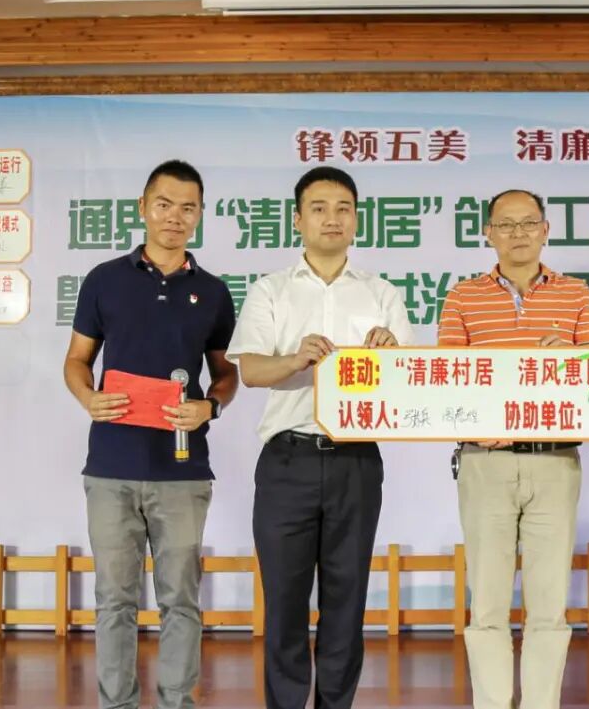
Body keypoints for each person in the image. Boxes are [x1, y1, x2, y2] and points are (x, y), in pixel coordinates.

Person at [226, 166, 413, 709]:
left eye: (343, 209)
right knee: (284, 601)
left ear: (357, 219)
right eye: (319, 208)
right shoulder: (271, 289)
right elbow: (251, 371)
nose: (332, 218)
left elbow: (407, 383)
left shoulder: (382, 294)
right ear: (297, 219)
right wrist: (295, 358)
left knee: (346, 599)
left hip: (357, 461)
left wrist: (390, 356)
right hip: (288, 460)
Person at [63, 159, 238, 709]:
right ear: (143, 207)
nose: (174, 216)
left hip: (182, 471)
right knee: (113, 600)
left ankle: (176, 701)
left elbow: (227, 373)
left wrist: (209, 407)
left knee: (180, 600)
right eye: (164, 204)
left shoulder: (213, 291)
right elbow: (76, 360)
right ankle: (116, 702)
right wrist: (88, 397)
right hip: (111, 468)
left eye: (188, 207)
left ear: (200, 215)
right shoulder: (104, 280)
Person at [437, 188, 589, 709]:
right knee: (487, 606)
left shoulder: (576, 294)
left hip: (555, 460)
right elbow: (446, 379)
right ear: (488, 233)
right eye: (505, 224)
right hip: (485, 460)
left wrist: (571, 357)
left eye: (528, 222)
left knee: (549, 607)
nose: (517, 233)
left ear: (545, 230)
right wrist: (476, 424)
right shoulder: (463, 296)